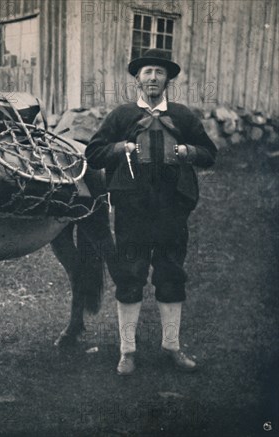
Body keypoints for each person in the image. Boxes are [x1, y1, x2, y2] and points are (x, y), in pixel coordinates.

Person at [85, 49, 217, 376]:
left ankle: (172, 347)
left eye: (159, 72)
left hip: (173, 210)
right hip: (132, 211)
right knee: (130, 276)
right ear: (137, 79)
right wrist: (121, 148)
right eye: (147, 72)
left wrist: (189, 151)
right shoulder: (121, 116)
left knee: (171, 274)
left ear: (168, 79)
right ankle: (127, 351)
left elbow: (209, 154)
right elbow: (94, 153)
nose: (153, 78)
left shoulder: (184, 116)